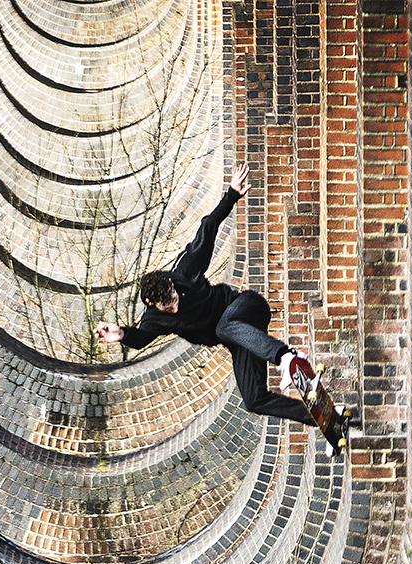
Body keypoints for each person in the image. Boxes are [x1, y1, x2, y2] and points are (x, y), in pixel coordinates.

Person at [94, 162, 351, 454]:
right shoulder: (155, 320)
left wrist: (230, 195)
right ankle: (328, 418)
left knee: (223, 326)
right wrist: (121, 334)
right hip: (238, 339)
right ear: (154, 305)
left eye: (175, 294)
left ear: (170, 282)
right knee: (253, 399)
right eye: (169, 303)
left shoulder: (184, 271)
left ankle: (286, 358)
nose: (176, 301)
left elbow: (207, 228)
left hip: (246, 307)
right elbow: (141, 337)